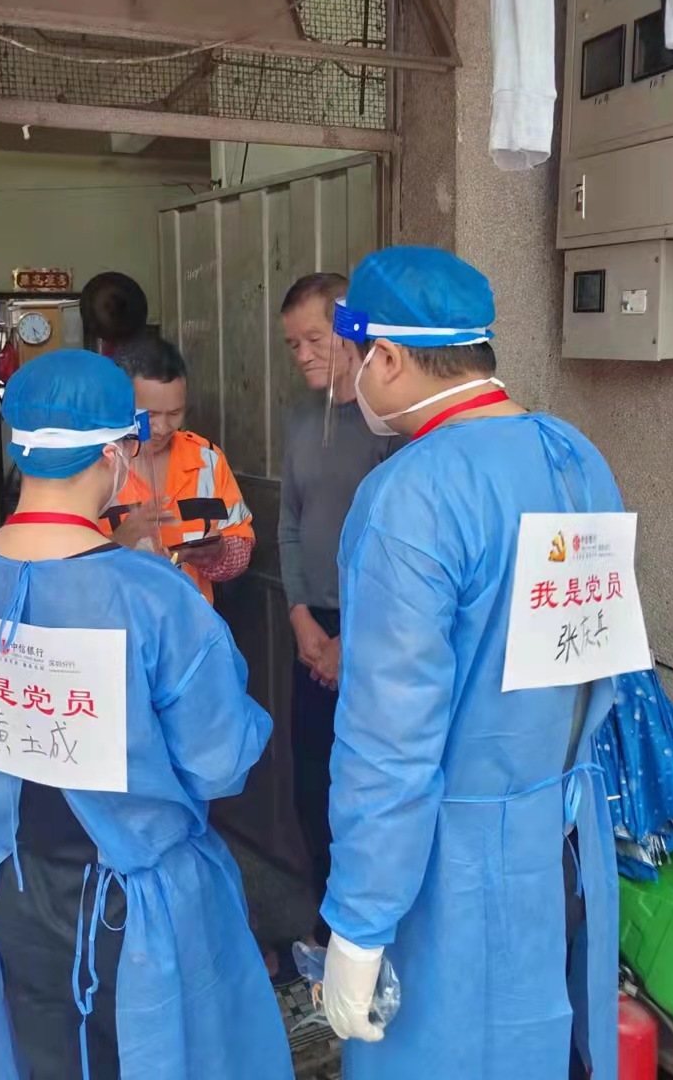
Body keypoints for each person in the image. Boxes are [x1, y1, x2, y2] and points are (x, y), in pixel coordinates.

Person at [0, 350, 294, 1080]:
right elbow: (219, 760)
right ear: (117, 454)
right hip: (136, 903)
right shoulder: (152, 595)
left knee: (44, 1056)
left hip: (12, 888)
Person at [320, 246, 621, 1080]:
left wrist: (359, 924)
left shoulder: (411, 496)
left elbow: (390, 740)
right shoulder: (576, 456)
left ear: (385, 357)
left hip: (452, 864)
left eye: (351, 355)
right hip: (564, 838)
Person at [277, 273, 401, 961]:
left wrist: (352, 642)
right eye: (292, 344)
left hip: (379, 632)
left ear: (352, 330)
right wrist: (302, 619)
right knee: (313, 783)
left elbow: (398, 551)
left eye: (314, 339)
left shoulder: (390, 425)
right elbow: (290, 524)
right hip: (313, 628)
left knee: (368, 789)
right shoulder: (302, 420)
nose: (302, 355)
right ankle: (327, 926)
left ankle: (368, 938)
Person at [104, 335, 254, 604]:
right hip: (118, 622)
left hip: (192, 620)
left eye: (174, 413)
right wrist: (120, 541)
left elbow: (242, 545)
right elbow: (67, 571)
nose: (162, 428)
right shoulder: (97, 464)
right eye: (149, 415)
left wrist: (220, 554)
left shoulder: (207, 459)